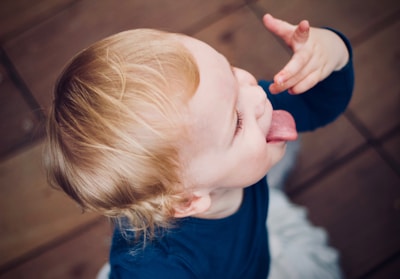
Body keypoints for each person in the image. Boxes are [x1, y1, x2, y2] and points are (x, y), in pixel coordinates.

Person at [45, 13, 353, 278]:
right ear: (188, 201)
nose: (258, 95)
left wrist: (332, 54)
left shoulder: (221, 122)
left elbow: (315, 105)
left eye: (231, 71)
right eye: (237, 121)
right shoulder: (160, 268)